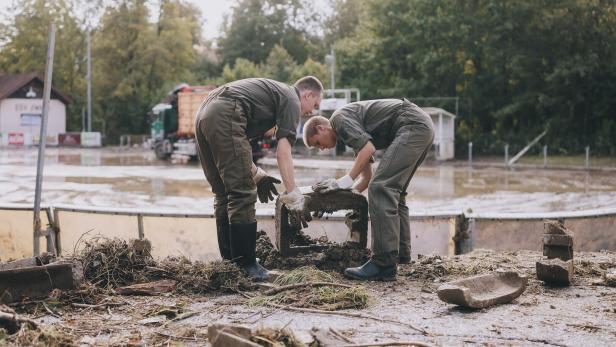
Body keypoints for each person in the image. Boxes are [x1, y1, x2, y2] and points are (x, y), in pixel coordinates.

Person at [195, 76, 323, 281]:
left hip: (205, 111)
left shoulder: (273, 93)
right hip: (224, 111)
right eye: (315, 104)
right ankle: (247, 266)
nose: (312, 112)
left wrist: (257, 173)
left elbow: (238, 143)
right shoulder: (292, 99)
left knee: (223, 193)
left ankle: (230, 264)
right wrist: (293, 194)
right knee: (243, 193)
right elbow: (284, 152)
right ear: (307, 94)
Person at [303, 99, 435, 281]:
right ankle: (400, 256)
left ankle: (383, 263)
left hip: (411, 125)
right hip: (421, 126)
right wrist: (341, 200)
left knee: (381, 187)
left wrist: (342, 182)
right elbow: (366, 177)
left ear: (320, 128)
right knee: (394, 191)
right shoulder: (353, 131)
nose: (322, 149)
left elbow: (368, 149)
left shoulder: (339, 120)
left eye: (317, 143)